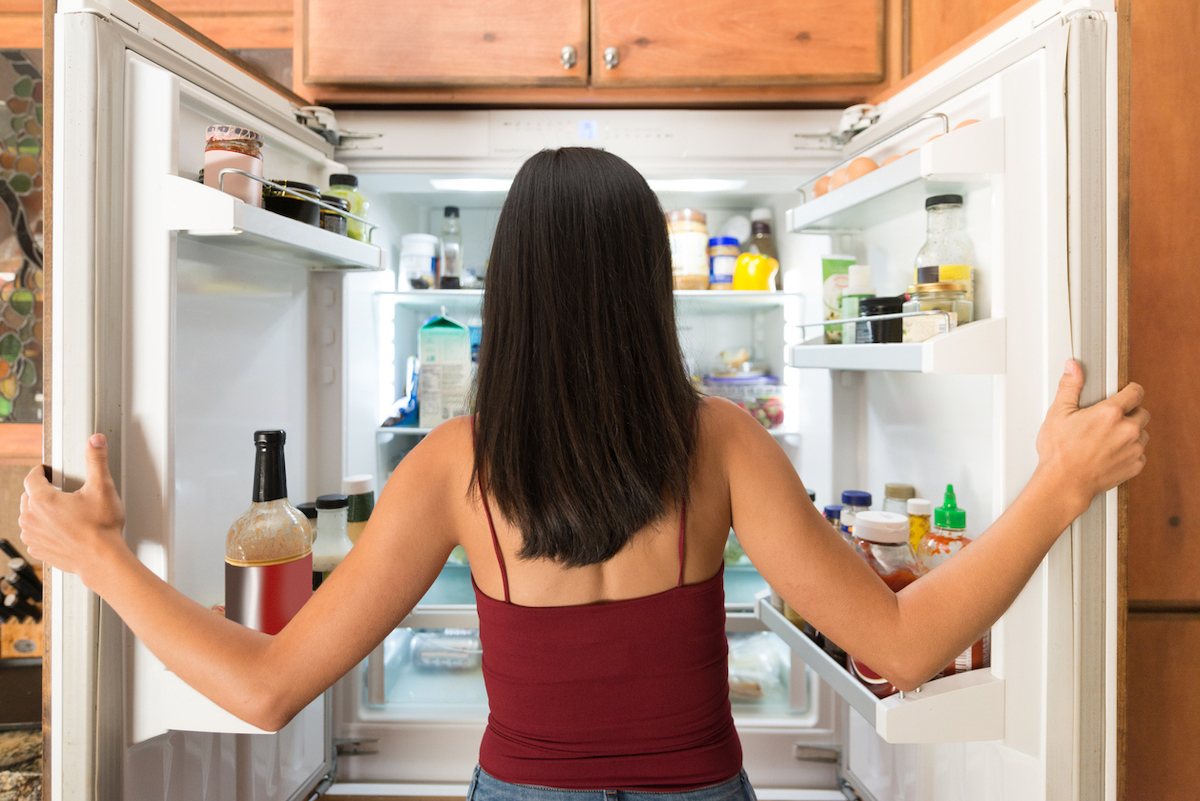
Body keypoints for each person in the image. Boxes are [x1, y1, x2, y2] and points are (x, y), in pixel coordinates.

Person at [19, 148, 1148, 798]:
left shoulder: (452, 467)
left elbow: (265, 686)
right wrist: (1057, 485)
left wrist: (101, 558)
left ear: (509, 289)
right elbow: (903, 645)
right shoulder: (721, 442)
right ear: (645, 287)